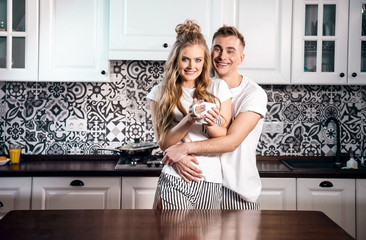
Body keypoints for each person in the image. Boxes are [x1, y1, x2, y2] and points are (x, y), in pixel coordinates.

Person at [162, 25, 268, 210]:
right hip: (204, 181)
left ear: (241, 58)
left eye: (230, 51)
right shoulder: (200, 84)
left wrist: (183, 150)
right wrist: (177, 156)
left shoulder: (253, 94)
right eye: (217, 49)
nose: (222, 56)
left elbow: (231, 142)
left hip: (237, 190)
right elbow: (170, 130)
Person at [147, 20, 232, 209]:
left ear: (204, 62)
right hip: (175, 178)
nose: (191, 66)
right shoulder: (159, 92)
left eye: (198, 60)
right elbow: (163, 142)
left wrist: (210, 124)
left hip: (210, 179)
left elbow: (222, 136)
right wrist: (189, 119)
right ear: (176, 59)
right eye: (185, 59)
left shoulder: (218, 88)